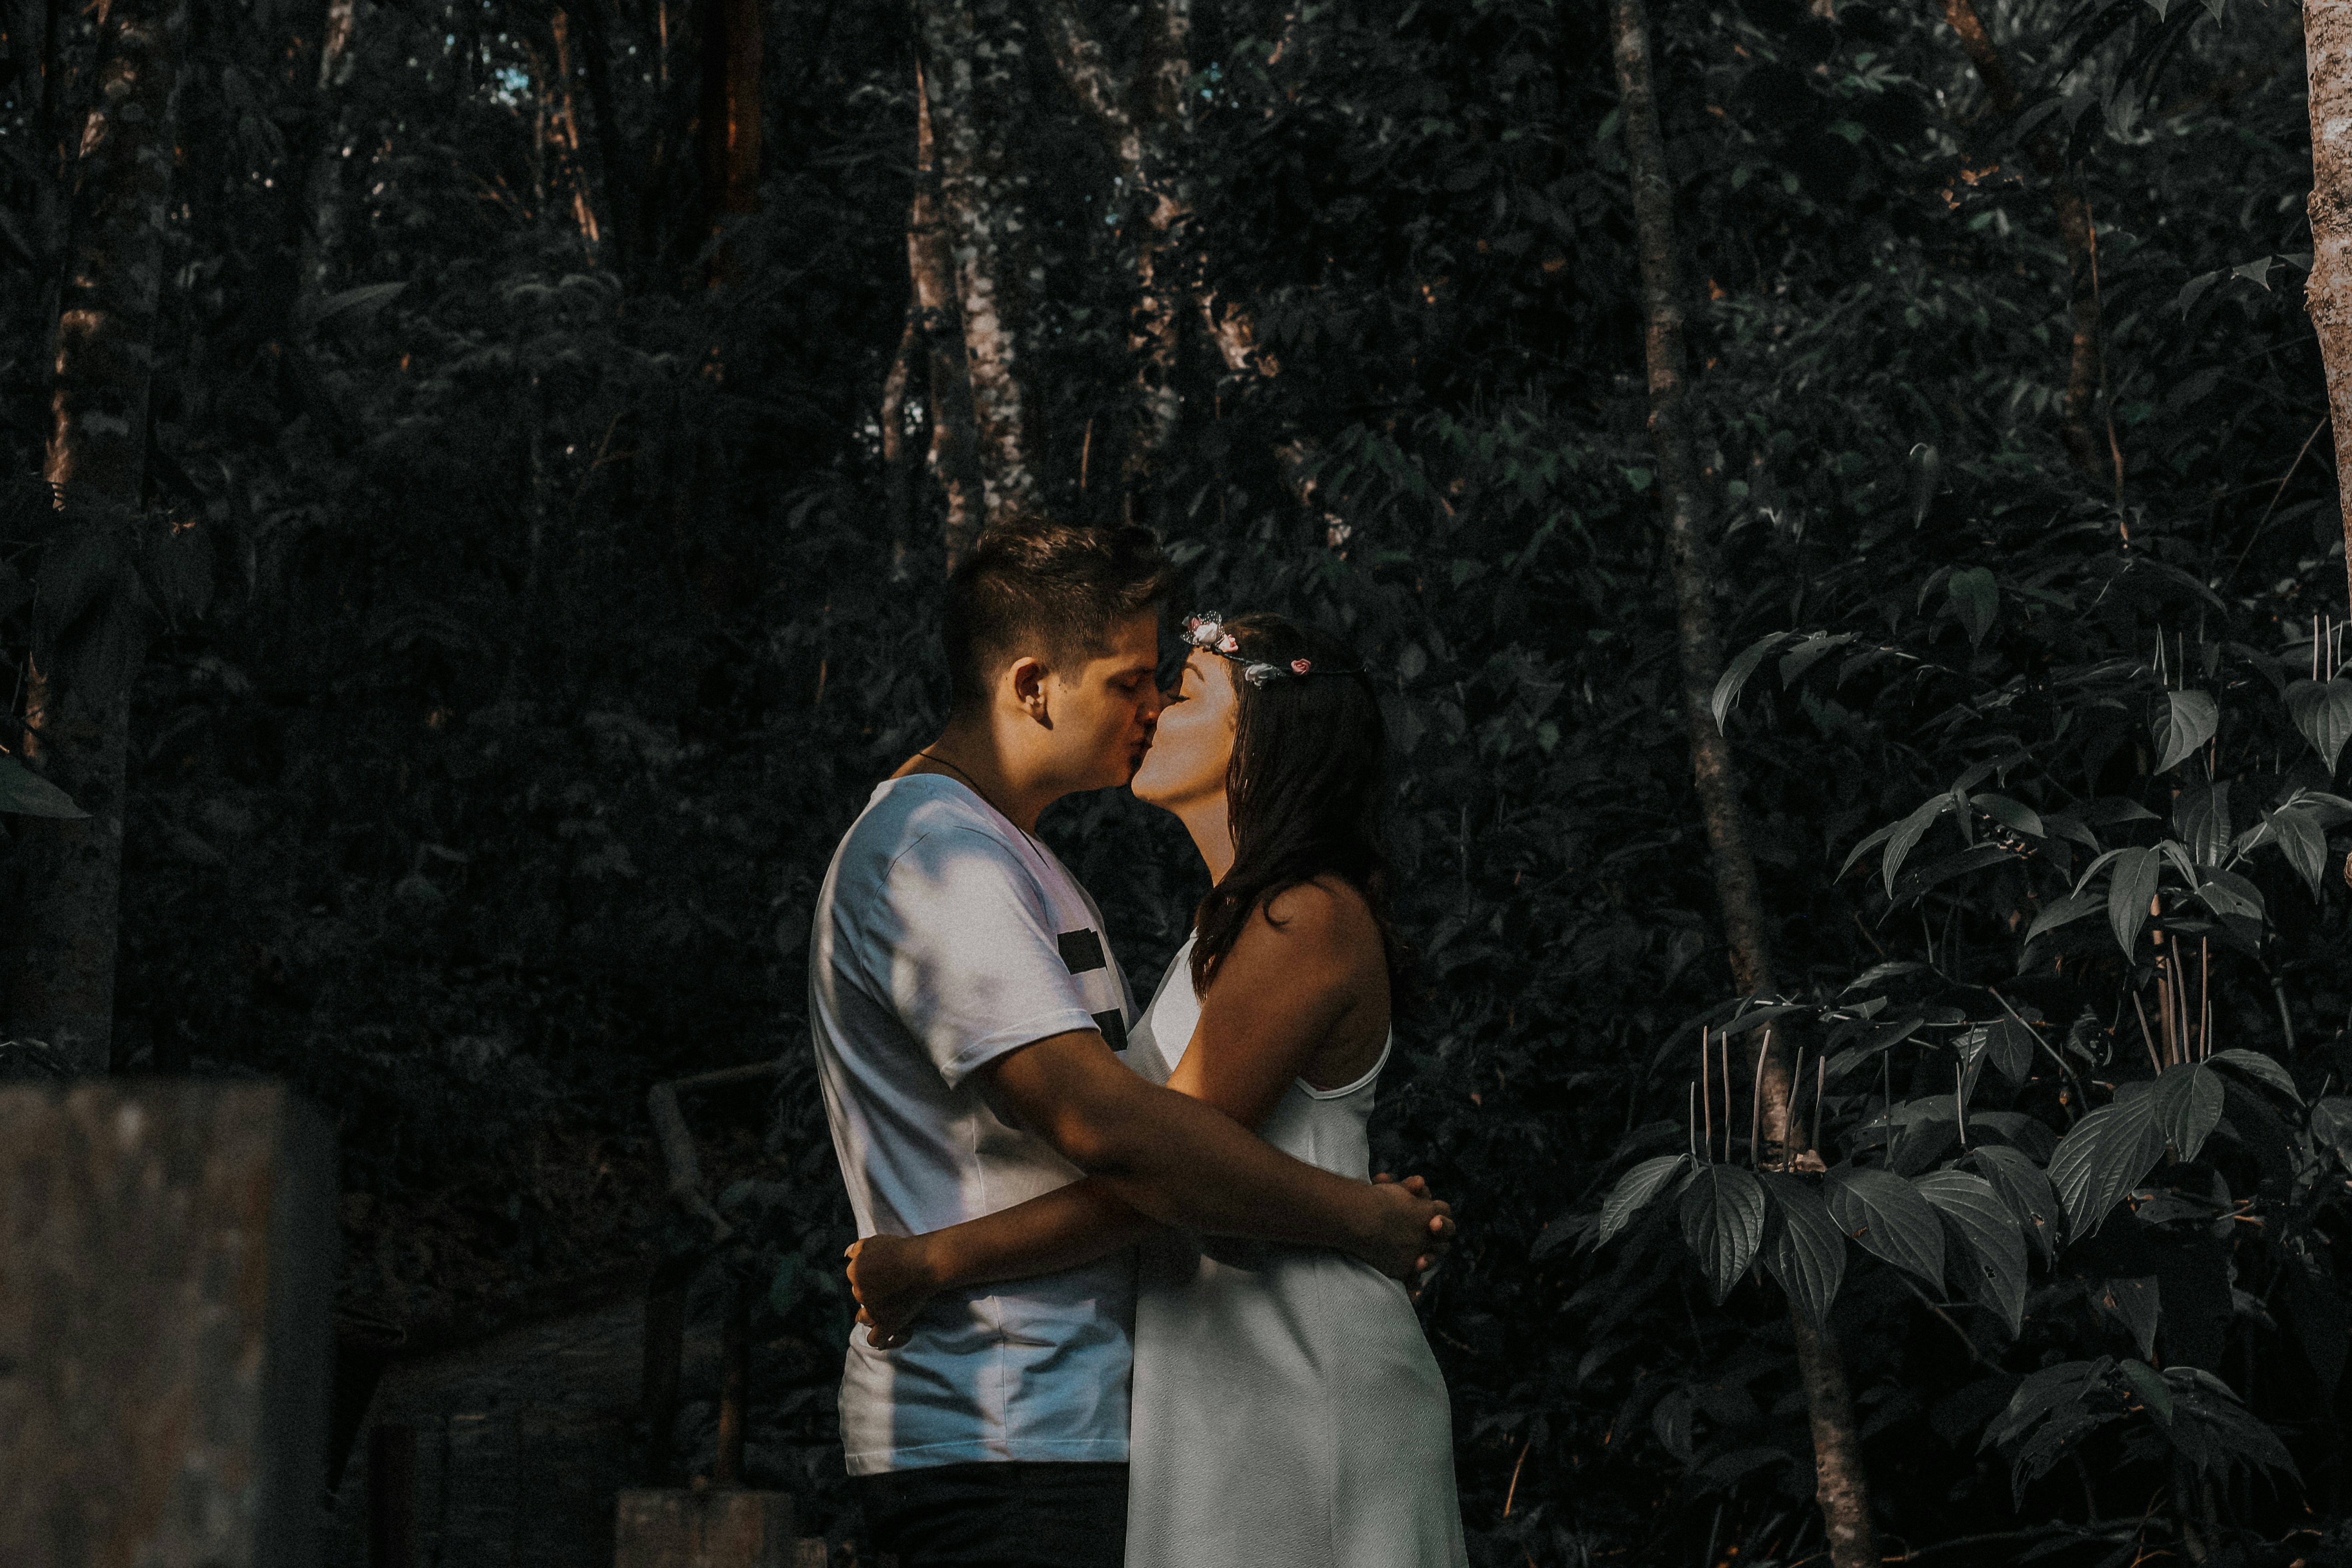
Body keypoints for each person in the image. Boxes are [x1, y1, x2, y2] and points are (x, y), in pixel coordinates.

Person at [808, 523, 1452, 1568]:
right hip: (1021, 1420)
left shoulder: (1064, 872)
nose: (1150, 708)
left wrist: (935, 1259)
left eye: (1173, 688)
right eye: (1133, 682)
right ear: (1032, 686)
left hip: (1201, 1384)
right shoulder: (945, 857)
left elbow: (1164, 1145)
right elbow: (1134, 1141)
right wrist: (1356, 1214)